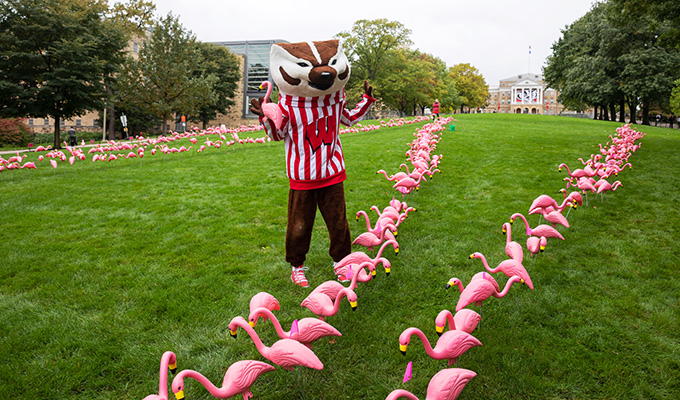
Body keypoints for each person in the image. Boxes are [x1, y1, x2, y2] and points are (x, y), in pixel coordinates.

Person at [250, 39, 376, 288]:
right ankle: (296, 266)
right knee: (299, 225)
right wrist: (265, 120)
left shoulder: (335, 100)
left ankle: (342, 264)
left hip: (332, 172)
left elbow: (348, 119)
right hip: (302, 176)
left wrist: (367, 101)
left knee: (339, 223)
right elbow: (278, 135)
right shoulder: (287, 105)